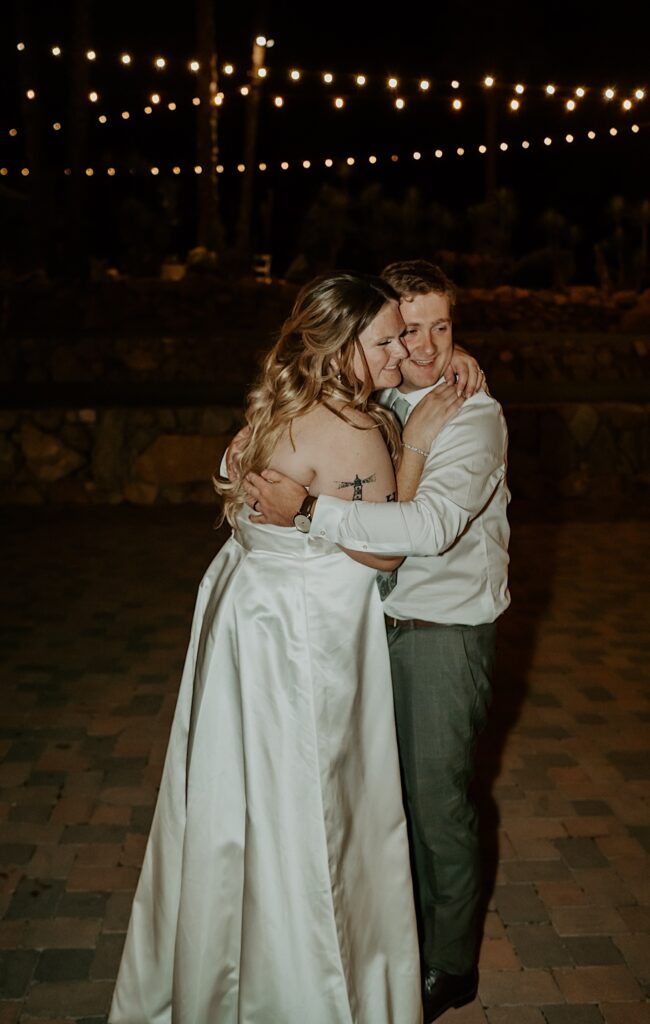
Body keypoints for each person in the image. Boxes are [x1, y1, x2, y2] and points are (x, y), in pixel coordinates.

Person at [109, 271, 468, 1024]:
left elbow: (240, 475)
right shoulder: (359, 429)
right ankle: (312, 988)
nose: (400, 354)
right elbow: (384, 550)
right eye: (384, 342)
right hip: (307, 638)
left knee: (239, 800)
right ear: (340, 348)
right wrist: (420, 444)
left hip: (246, 618)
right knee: (318, 810)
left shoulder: (283, 405)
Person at [245, 259, 510, 1024]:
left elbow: (424, 528)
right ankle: (393, 946)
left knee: (437, 808)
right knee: (377, 802)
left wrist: (306, 512)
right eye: (410, 329)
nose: (425, 347)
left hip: (440, 634)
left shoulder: (475, 415)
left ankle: (450, 968)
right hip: (364, 628)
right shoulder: (385, 393)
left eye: (443, 329)